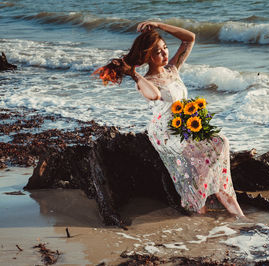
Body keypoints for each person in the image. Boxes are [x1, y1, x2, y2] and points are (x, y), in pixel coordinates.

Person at [94, 21, 245, 217]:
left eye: (165, 48)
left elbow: (189, 38)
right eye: (158, 52)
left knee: (220, 143)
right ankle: (206, 202)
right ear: (148, 56)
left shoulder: (173, 69)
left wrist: (159, 25)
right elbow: (156, 95)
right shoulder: (144, 82)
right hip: (166, 132)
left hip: (184, 126)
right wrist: (134, 74)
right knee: (215, 148)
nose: (165, 54)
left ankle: (212, 201)